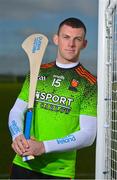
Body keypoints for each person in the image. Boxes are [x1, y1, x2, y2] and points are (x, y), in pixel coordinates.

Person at [8, 17, 97, 179]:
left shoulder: (89, 83)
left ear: (84, 44)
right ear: (56, 39)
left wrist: (44, 147)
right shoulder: (38, 72)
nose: (71, 44)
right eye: (66, 37)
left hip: (59, 172)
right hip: (23, 164)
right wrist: (17, 135)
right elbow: (16, 111)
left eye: (77, 39)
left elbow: (88, 134)